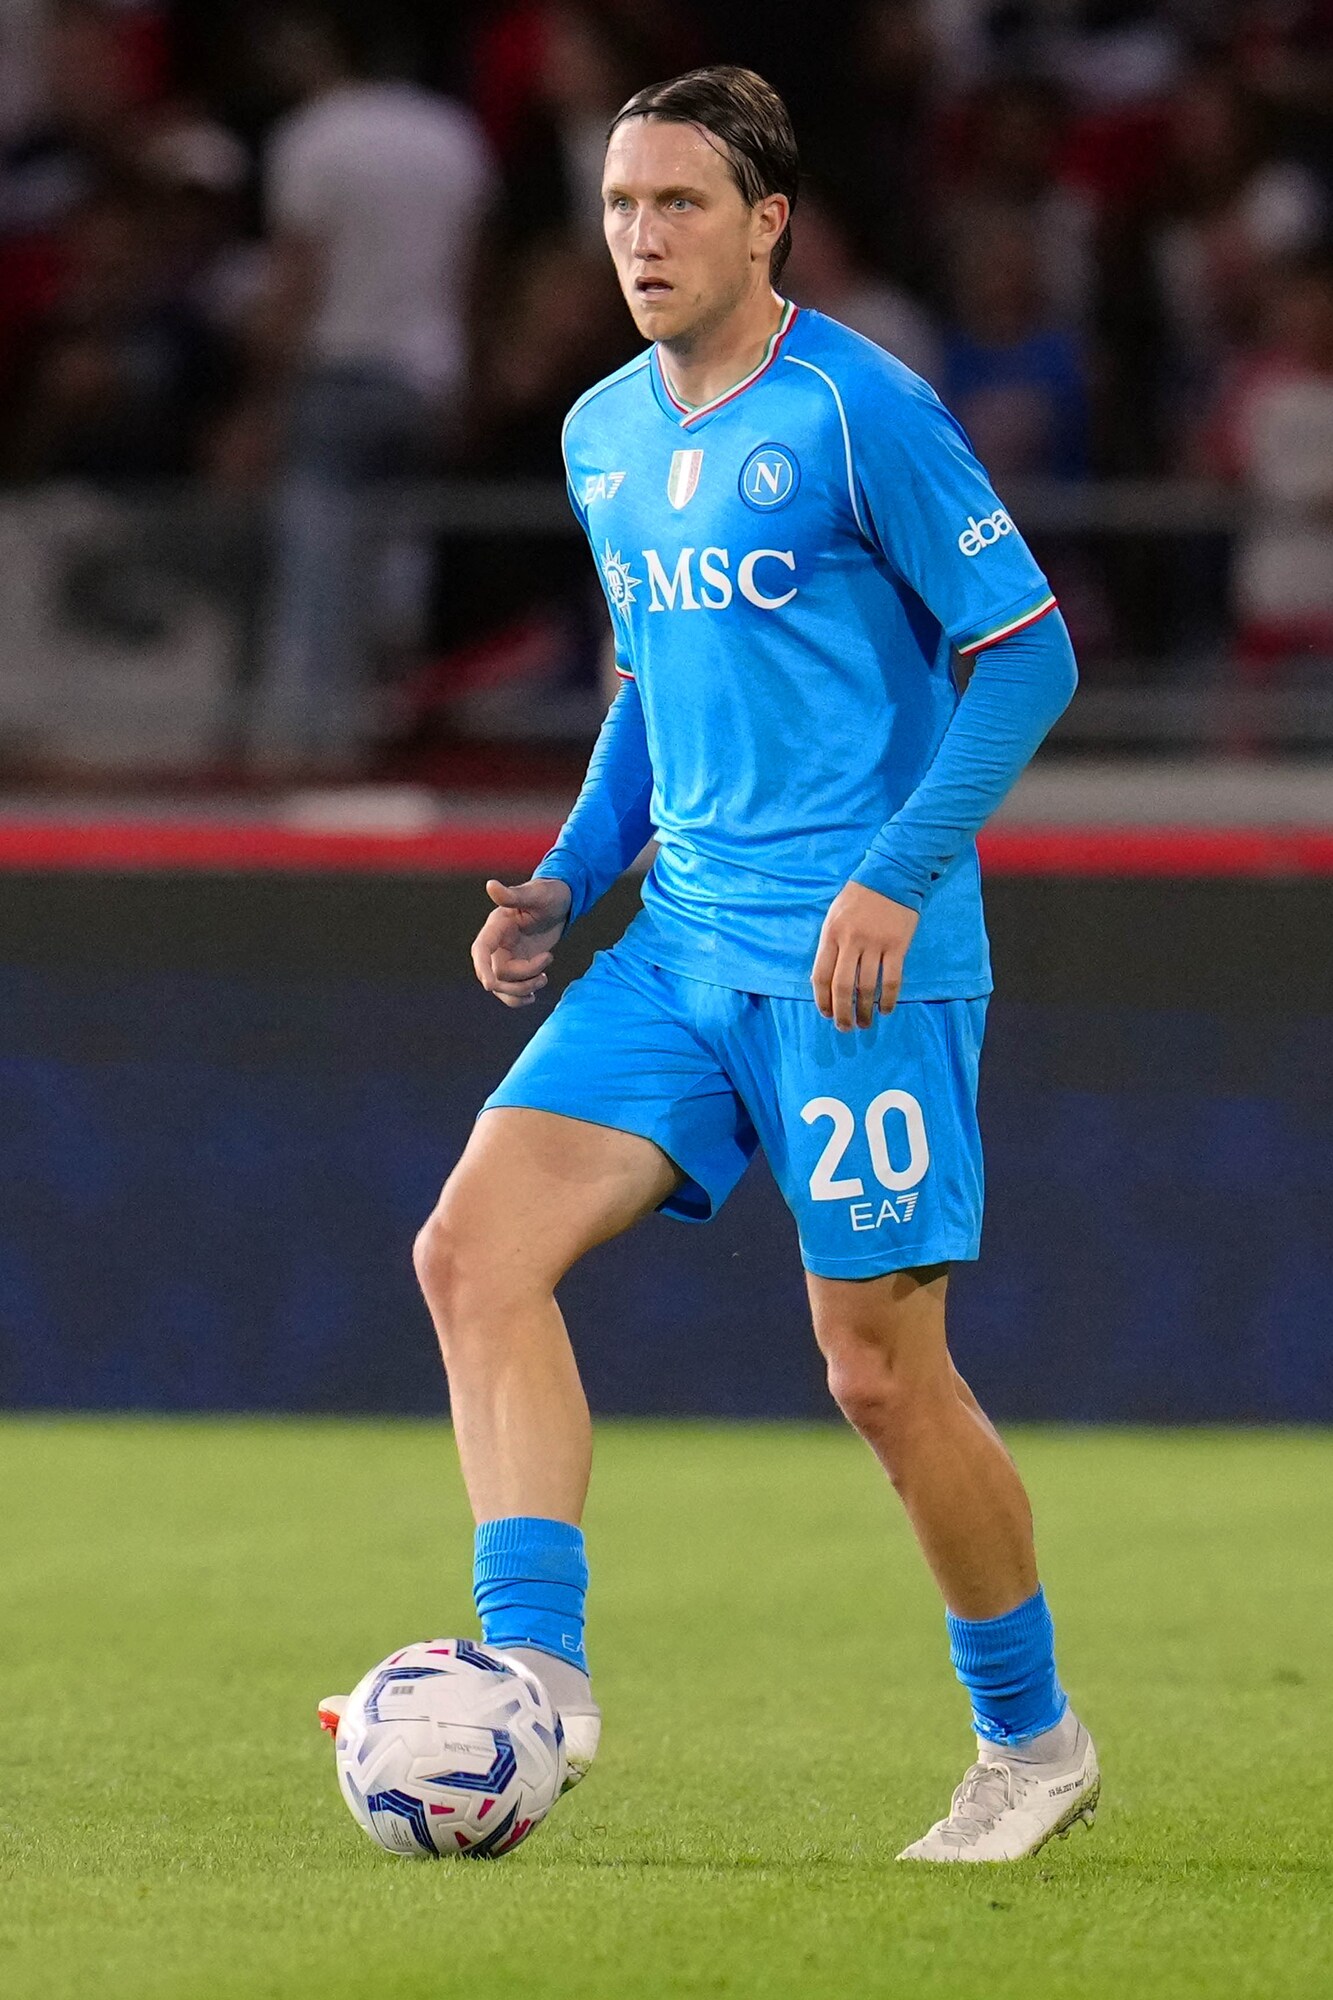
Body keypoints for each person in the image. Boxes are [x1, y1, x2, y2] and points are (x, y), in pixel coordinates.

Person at [342, 63, 1095, 1864]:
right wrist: (566, 873)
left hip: (853, 964)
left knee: (877, 1375)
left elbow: (1028, 653)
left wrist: (895, 877)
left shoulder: (858, 409)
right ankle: (536, 1670)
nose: (639, 237)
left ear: (768, 223)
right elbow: (646, 688)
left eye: (678, 202)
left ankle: (1032, 1741)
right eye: (618, 205)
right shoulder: (602, 431)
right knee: (470, 1253)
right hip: (678, 941)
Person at [247, 3, 495, 774]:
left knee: (320, 565)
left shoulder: (314, 136)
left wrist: (260, 401)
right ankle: (384, 731)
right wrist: (467, 383)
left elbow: (299, 277)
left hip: (338, 377)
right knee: (398, 568)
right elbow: (470, 278)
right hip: (428, 381)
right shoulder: (453, 135)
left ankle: (318, 746)